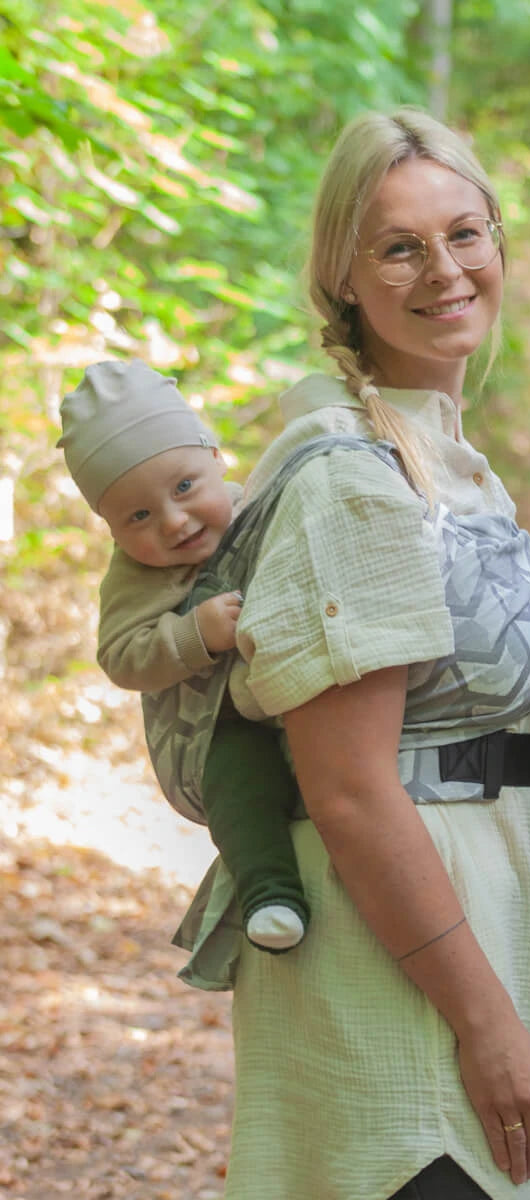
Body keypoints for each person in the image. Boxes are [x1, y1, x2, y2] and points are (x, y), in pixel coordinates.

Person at [162, 108, 530, 1200]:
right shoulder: (354, 479)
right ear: (343, 280)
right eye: (400, 247)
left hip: (486, 925)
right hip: (401, 971)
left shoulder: (450, 465)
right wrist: (483, 1020)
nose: (444, 269)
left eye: (466, 233)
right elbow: (352, 791)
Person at [57, 359, 309, 952]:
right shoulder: (134, 579)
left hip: (304, 690)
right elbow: (121, 655)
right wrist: (194, 633)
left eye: (185, 487)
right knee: (238, 784)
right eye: (139, 516)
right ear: (112, 530)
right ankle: (271, 893)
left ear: (218, 459)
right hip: (221, 724)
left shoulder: (265, 509)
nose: (173, 521)